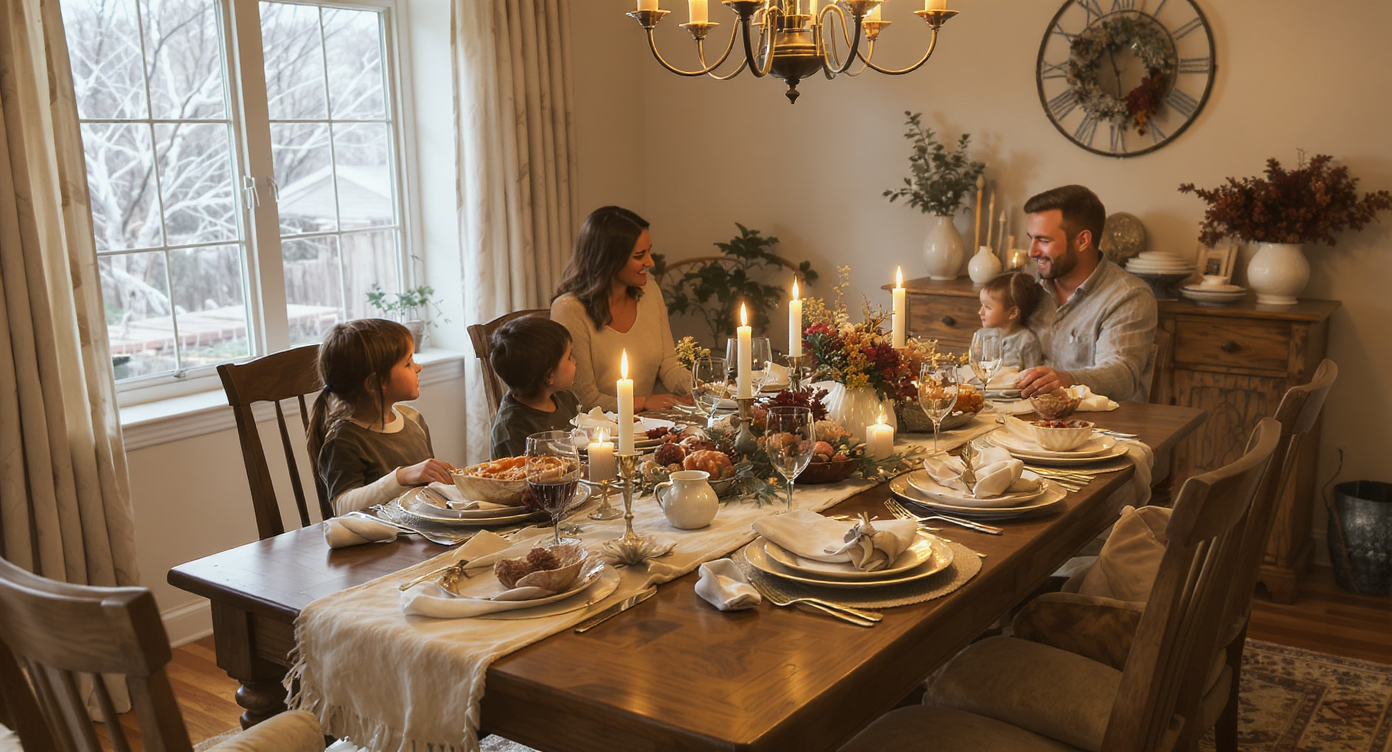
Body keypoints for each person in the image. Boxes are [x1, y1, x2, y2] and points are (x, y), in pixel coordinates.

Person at [1016, 185, 1157, 403]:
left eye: (1044, 241)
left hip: (1101, 428)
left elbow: (1123, 374)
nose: (1032, 252)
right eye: (1031, 238)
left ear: (1082, 241)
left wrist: (1066, 380)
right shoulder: (1028, 287)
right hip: (1027, 421)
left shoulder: (1128, 296)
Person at [551, 206, 692, 413]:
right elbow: (583, 400)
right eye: (639, 255)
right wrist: (643, 402)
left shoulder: (649, 291)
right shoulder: (569, 309)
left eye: (649, 251)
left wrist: (701, 389)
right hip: (598, 434)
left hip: (647, 427)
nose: (650, 262)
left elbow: (669, 365)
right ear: (607, 259)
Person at [307, 318, 455, 515]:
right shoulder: (344, 440)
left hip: (421, 533)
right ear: (374, 384)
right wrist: (400, 477)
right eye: (408, 363)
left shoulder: (413, 419)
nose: (418, 368)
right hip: (380, 543)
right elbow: (342, 507)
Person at [488, 317, 582, 458]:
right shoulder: (511, 429)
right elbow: (521, 475)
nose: (575, 361)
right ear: (549, 376)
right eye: (569, 357)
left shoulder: (566, 399)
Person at [979, 271, 1044, 370]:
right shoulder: (983, 336)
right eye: (981, 305)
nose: (980, 312)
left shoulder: (1027, 341)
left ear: (1013, 313)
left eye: (987, 307)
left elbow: (1032, 375)